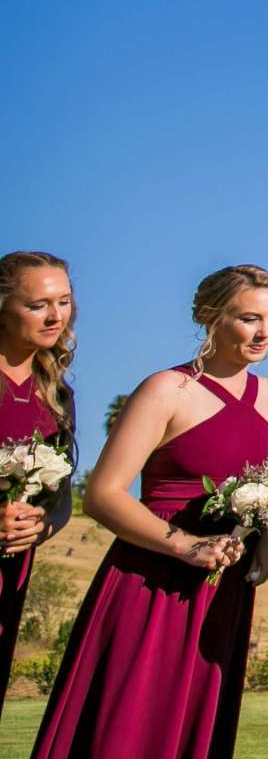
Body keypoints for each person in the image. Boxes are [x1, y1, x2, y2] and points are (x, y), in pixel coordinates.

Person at [35, 264, 268, 759]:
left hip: (223, 596)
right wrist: (185, 544)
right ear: (207, 316)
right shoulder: (165, 390)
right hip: (151, 584)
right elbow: (103, 494)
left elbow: (264, 493)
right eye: (248, 318)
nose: (265, 332)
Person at [0, 251, 76, 697]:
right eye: (38, 305)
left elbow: (63, 494)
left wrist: (46, 523)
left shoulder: (57, 394)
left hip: (12, 575)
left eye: (63, 302)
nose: (55, 317)